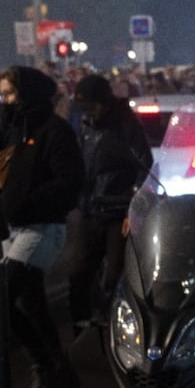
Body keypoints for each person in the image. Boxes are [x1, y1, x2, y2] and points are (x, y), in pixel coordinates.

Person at [0, 65, 84, 388]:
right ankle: (60, 371)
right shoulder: (13, 130)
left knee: (2, 296)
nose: (4, 101)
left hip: (43, 227)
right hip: (13, 229)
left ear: (27, 94)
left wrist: (24, 203)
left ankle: (42, 369)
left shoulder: (54, 131)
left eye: (10, 94)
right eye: (1, 94)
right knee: (32, 303)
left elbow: (69, 183)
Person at [66, 73, 153, 337]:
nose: (87, 113)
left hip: (118, 212)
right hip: (91, 209)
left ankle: (112, 326)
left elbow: (144, 163)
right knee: (79, 270)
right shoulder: (85, 125)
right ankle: (82, 326)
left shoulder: (126, 124)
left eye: (91, 107)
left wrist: (132, 206)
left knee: (115, 274)